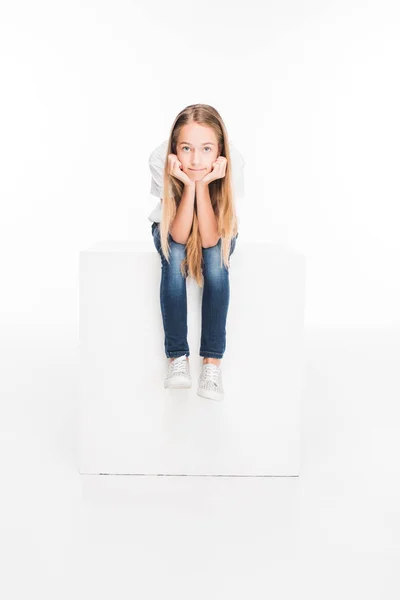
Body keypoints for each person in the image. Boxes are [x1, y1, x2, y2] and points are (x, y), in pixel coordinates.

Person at [148, 103, 245, 401]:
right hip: (173, 223)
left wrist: (204, 186)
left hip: (213, 225)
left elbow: (208, 240)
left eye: (206, 149)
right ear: (175, 148)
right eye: (187, 148)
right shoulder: (159, 159)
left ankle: (211, 365)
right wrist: (189, 185)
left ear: (219, 151)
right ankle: (178, 358)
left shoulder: (234, 162)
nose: (196, 159)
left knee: (216, 262)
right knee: (174, 257)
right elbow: (177, 234)